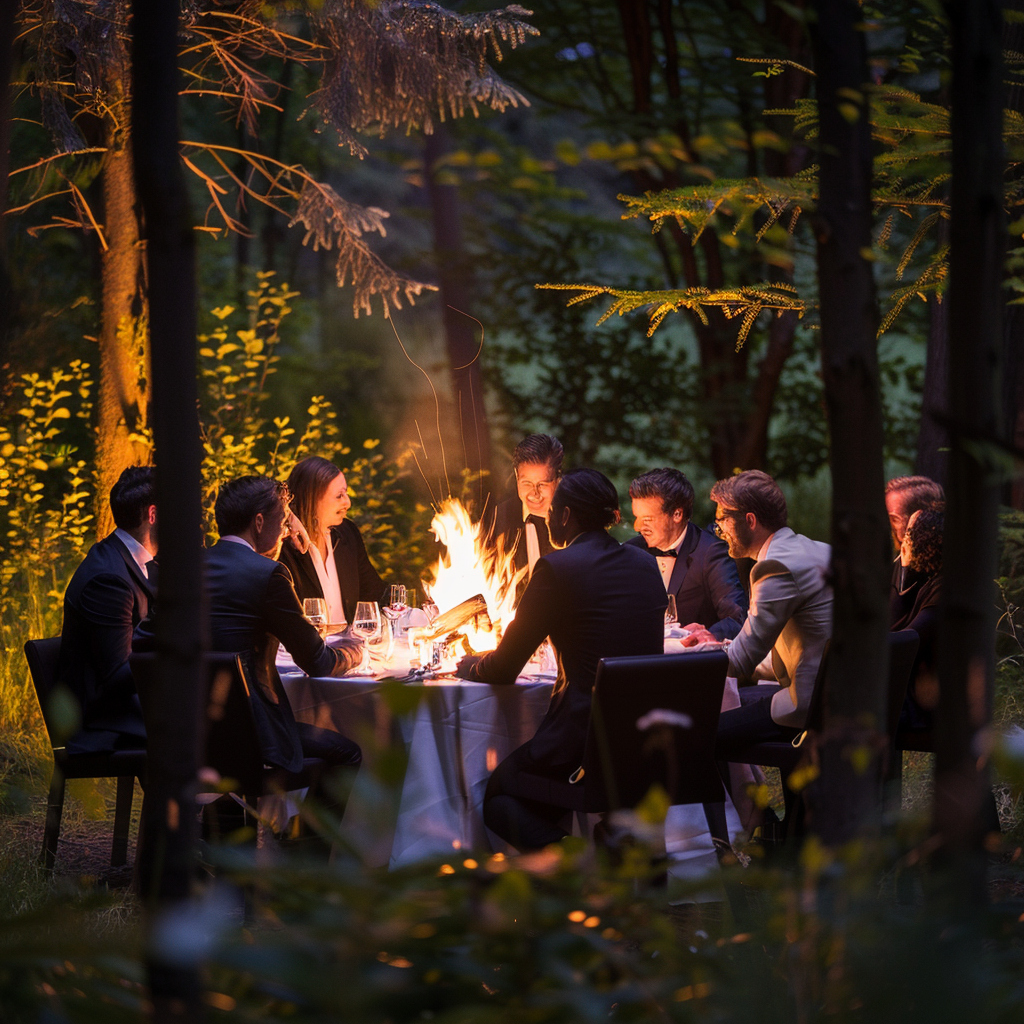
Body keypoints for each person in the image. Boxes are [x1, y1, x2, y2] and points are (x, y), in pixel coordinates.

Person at [457, 468, 667, 852]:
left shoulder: (558, 567)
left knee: (500, 796)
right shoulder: (644, 563)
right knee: (538, 792)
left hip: (584, 740)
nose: (547, 516)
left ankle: (581, 869)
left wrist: (469, 663)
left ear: (565, 515)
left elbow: (505, 668)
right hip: (646, 739)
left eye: (552, 509)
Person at [137, 476, 363, 779]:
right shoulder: (268, 575)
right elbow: (318, 662)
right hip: (253, 736)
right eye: (283, 523)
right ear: (258, 522)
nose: (286, 533)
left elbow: (141, 646)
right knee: (348, 754)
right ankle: (306, 829)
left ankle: (224, 825)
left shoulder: (182, 570)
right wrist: (356, 652)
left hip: (180, 732)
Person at [710, 470, 832, 747]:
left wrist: (692, 658)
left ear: (750, 520)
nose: (719, 531)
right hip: (843, 696)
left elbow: (740, 662)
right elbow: (796, 649)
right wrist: (727, 648)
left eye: (722, 521)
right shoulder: (820, 550)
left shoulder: (773, 567)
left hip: (808, 707)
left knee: (700, 734)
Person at [57, 466, 157, 755]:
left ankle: (209, 801)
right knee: (211, 720)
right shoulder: (108, 579)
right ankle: (193, 801)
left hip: (127, 704)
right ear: (153, 515)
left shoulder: (136, 558)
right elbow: (115, 675)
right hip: (105, 720)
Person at [627, 467, 747, 640]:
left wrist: (708, 635)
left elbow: (737, 618)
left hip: (689, 661)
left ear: (677, 514)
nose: (637, 527)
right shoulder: (632, 551)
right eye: (636, 517)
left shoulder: (709, 552)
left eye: (647, 520)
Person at [278, 456, 388, 626]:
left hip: (351, 646)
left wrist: (410, 610)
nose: (347, 503)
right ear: (312, 499)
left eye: (346, 493)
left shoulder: (347, 534)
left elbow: (375, 592)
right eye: (339, 496)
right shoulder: (283, 548)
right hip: (305, 650)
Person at [891, 507, 943, 730]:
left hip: (928, 704)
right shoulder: (930, 582)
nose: (904, 539)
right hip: (914, 697)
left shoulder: (943, 589)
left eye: (910, 532)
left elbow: (905, 642)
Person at [484, 434, 563, 579]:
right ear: (516, 475)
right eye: (526, 483)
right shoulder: (500, 516)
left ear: (558, 479)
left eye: (543, 484)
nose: (534, 493)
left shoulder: (573, 520)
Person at [884, 475, 944, 623]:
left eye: (894, 519)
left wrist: (906, 570)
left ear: (919, 518)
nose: (888, 526)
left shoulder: (941, 579)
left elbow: (893, 631)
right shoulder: (893, 566)